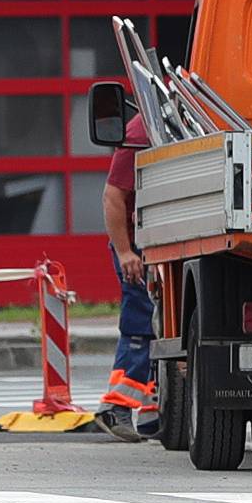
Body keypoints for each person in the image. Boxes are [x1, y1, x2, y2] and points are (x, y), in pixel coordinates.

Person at [96, 111, 155, 442]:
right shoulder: (141, 130)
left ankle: (152, 414)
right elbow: (113, 195)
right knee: (142, 325)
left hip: (150, 246)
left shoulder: (162, 120)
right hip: (135, 250)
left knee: (160, 330)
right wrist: (125, 252)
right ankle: (116, 406)